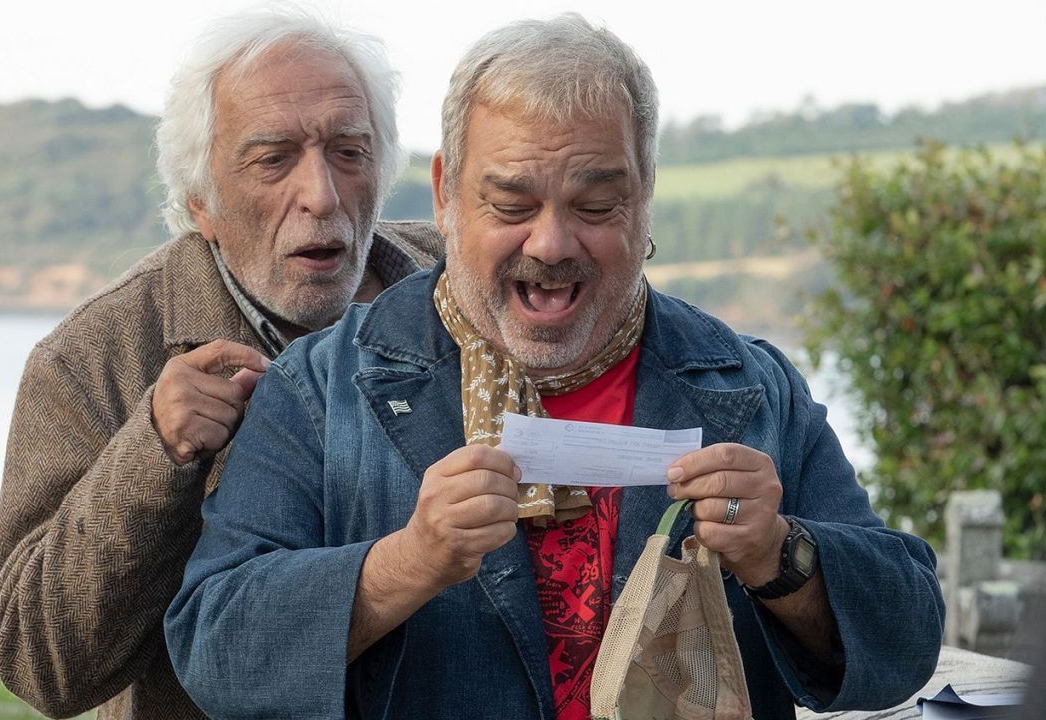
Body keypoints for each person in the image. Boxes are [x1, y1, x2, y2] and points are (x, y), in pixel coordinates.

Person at [164, 14, 944, 720]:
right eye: (511, 204)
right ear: (444, 195)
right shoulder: (319, 390)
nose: (552, 243)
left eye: (597, 206)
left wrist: (782, 555)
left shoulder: (749, 385)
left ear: (644, 204)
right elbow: (215, 650)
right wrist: (406, 563)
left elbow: (906, 641)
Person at [0, 9, 443, 720]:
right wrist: (154, 453)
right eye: (273, 159)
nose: (321, 195)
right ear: (201, 199)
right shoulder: (92, 359)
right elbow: (41, 666)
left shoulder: (465, 287)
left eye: (349, 152)